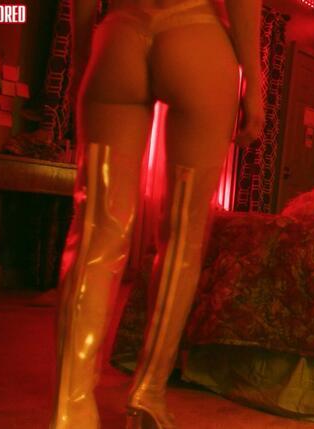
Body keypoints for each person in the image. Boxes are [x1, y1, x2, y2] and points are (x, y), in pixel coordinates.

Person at [52, 1, 263, 428]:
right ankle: (147, 393)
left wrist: (81, 62)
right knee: (183, 235)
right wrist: (254, 83)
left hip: (118, 37)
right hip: (197, 37)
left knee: (95, 230)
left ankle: (70, 407)